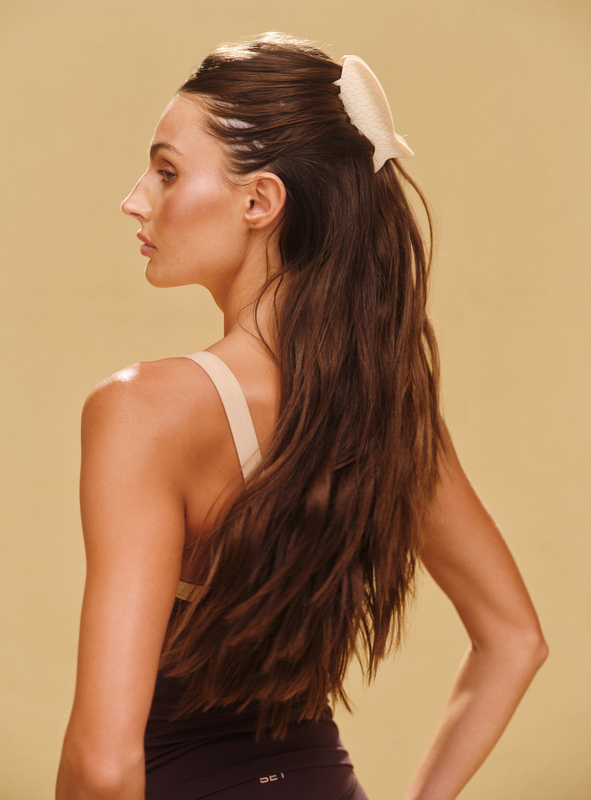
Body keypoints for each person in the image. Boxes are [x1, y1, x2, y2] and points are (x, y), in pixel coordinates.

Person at [55, 32, 547, 800]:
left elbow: (102, 766)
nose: (135, 198)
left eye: (166, 171)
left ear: (260, 201)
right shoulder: (386, 414)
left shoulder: (141, 411)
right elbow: (515, 639)